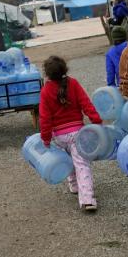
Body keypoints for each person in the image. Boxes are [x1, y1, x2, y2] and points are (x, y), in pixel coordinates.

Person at [38, 56, 102, 211]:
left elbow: (44, 118)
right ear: (65, 69)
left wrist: (45, 138)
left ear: (47, 74)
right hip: (78, 133)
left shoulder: (46, 91)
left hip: (59, 136)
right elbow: (86, 103)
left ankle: (74, 186)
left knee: (67, 160)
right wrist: (96, 121)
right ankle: (87, 199)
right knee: (81, 163)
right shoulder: (73, 84)